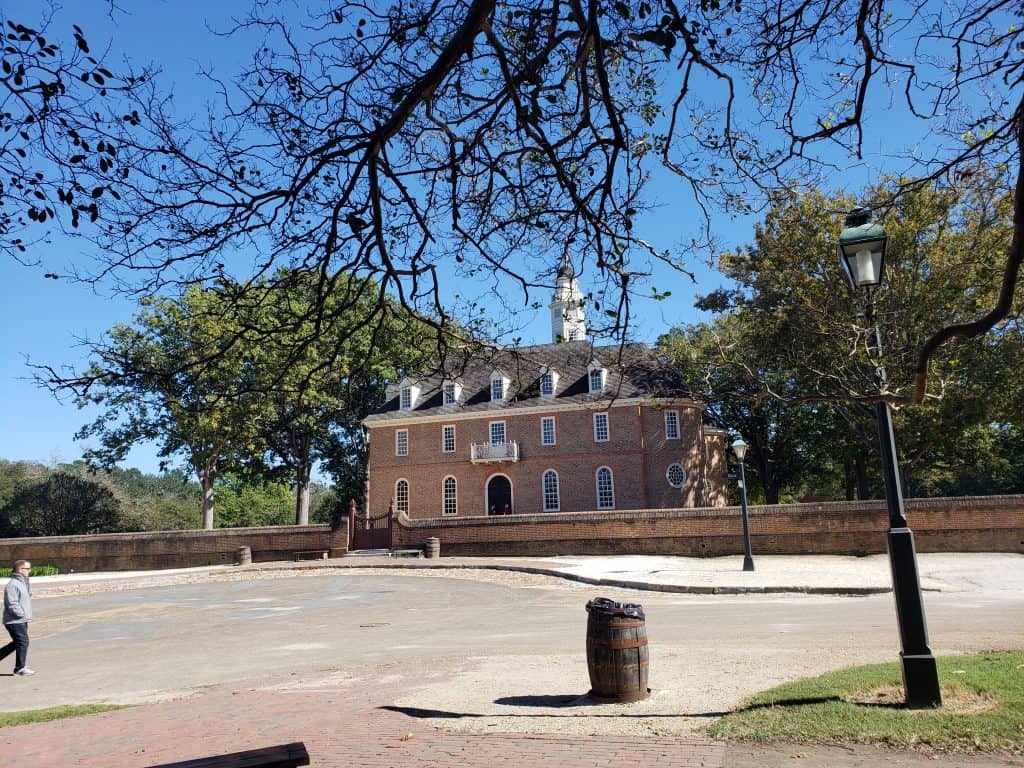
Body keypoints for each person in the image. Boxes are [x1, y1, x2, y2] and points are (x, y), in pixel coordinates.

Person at [1, 560, 34, 676]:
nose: (29, 571)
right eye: (27, 569)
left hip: (21, 619)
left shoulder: (22, 582)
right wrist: (20, 614)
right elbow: (12, 603)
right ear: (20, 570)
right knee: (23, 642)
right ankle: (20, 668)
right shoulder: (13, 584)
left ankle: (20, 667)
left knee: (17, 643)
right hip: (14, 620)